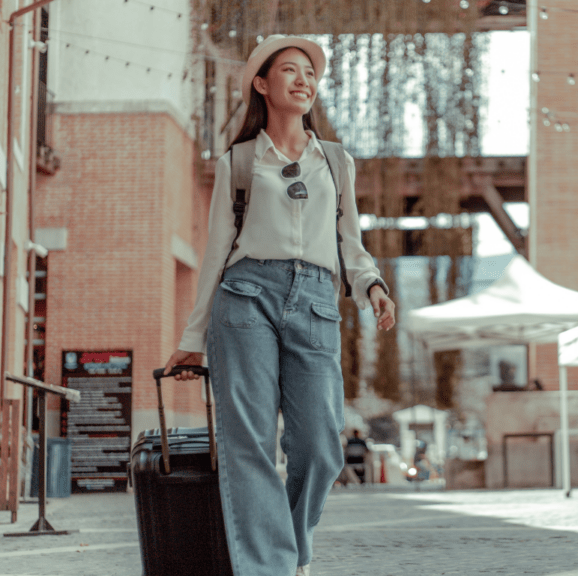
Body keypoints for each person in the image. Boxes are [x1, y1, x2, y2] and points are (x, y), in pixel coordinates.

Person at [162, 35, 395, 576]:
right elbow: (217, 252)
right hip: (244, 299)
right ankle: (269, 569)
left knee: (319, 447)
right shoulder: (239, 162)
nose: (303, 80)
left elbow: (349, 243)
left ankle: (289, 553)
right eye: (290, 71)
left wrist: (373, 286)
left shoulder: (336, 163)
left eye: (310, 73)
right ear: (262, 85)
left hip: (315, 302)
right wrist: (192, 340)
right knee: (250, 446)